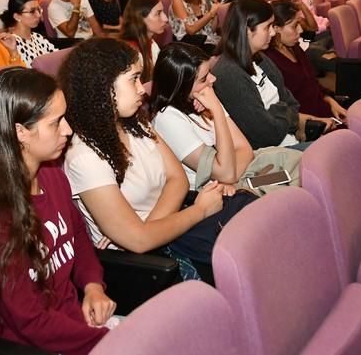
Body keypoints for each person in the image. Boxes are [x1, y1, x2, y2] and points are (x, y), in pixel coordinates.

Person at [61, 38, 253, 282]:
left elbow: (178, 179)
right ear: (102, 86)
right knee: (246, 259)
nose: (142, 89)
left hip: (171, 234)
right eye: (133, 79)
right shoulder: (84, 157)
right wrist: (200, 210)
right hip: (146, 268)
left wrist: (150, 227)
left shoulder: (135, 123)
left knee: (255, 231)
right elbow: (140, 242)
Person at [0, 67, 116, 355]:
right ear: (21, 132)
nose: (68, 130)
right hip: (39, 346)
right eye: (56, 123)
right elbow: (31, 322)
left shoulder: (52, 174)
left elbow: (77, 236)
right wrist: (107, 341)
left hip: (77, 327)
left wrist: (92, 287)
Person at [150, 42, 301, 193]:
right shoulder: (168, 118)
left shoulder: (205, 97)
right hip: (219, 195)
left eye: (209, 72)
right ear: (181, 87)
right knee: (291, 188)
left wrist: (231, 177)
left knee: (299, 172)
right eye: (203, 79)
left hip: (244, 180)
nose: (213, 79)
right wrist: (217, 110)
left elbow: (244, 149)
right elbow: (225, 173)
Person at [211, 0, 318, 150]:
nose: (274, 33)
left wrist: (273, 113)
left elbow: (293, 104)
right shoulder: (229, 74)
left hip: (289, 143)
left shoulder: (261, 59)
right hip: (269, 156)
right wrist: (284, 112)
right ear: (248, 30)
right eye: (268, 27)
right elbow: (266, 134)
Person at [265, 0, 347, 120]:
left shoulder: (295, 47)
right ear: (276, 28)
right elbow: (284, 108)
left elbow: (313, 84)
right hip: (310, 124)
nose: (301, 30)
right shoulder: (269, 60)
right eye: (294, 26)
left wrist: (330, 101)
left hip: (324, 111)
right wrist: (317, 121)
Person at [284, 0, 337, 73]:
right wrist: (325, 25)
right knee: (331, 45)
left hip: (317, 33)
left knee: (339, 33)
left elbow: (314, 16)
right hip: (308, 38)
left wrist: (327, 22)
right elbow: (309, 27)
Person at [120, 0, 168, 83]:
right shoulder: (130, 52)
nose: (165, 18)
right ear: (140, 18)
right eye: (158, 13)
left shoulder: (152, 44)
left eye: (163, 12)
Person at [2, 0, 56, 65]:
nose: (38, 15)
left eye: (39, 10)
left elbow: (56, 57)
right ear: (17, 17)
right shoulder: (11, 43)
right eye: (32, 11)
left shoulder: (37, 37)